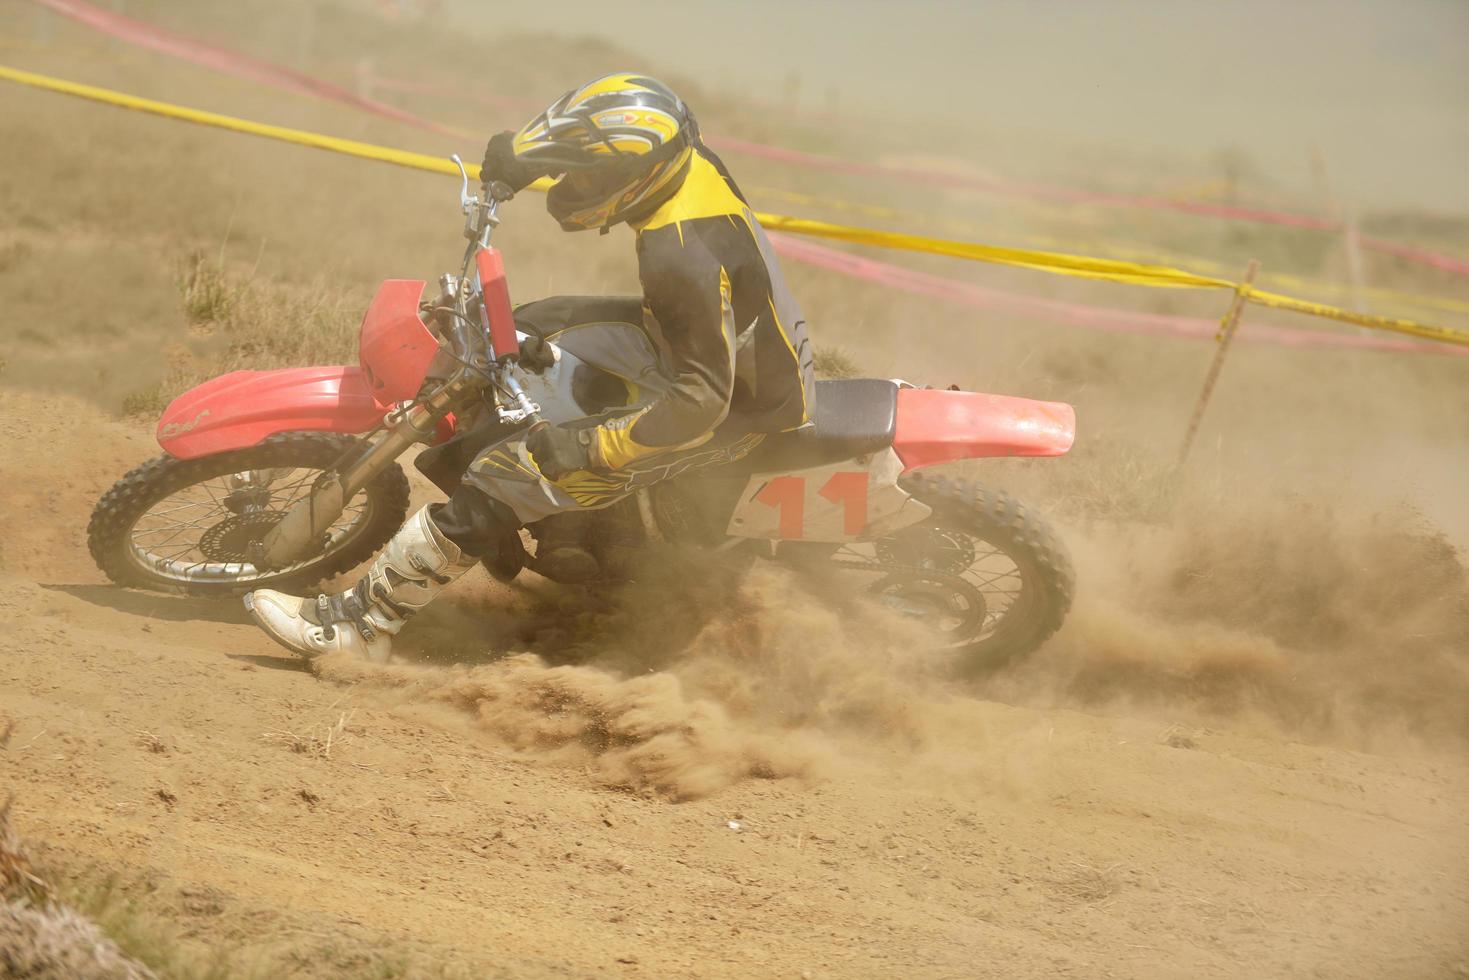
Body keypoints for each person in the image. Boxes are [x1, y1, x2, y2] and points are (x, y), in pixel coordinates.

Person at [244, 72, 815, 661]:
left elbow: (700, 402)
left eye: (587, 174)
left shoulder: (680, 252)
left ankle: (361, 630)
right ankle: (563, 525)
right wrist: (524, 157)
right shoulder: (685, 158)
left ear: (632, 177)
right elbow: (603, 138)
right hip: (707, 343)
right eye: (575, 168)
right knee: (535, 323)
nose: (573, 183)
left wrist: (592, 447)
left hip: (736, 407)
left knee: (510, 472)